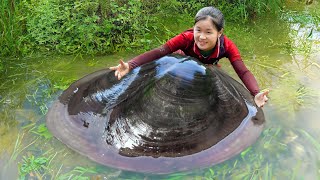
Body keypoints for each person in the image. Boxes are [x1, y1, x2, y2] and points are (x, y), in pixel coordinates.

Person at [110, 6, 269, 107]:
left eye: (208, 32)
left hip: (206, 68)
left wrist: (255, 93)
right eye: (198, 30)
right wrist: (131, 65)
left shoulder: (227, 46)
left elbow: (243, 71)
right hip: (181, 65)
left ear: (219, 33)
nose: (201, 37)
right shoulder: (186, 38)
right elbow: (160, 51)